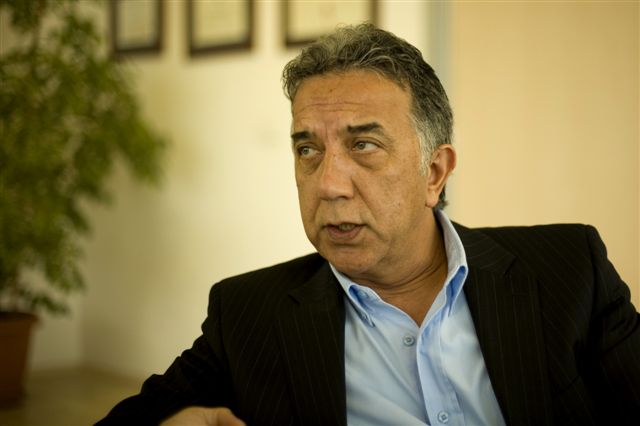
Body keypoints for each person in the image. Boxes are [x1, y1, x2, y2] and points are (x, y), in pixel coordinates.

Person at [97, 24, 640, 426]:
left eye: (364, 144)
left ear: (434, 172)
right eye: (307, 149)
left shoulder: (571, 271)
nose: (329, 183)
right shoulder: (247, 315)